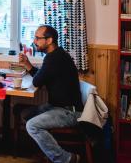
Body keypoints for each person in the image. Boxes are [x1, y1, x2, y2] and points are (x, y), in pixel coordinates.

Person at [18, 25, 83, 163]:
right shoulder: (56, 55)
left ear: (49, 40)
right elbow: (41, 77)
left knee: (32, 125)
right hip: (57, 106)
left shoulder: (54, 58)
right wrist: (28, 64)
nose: (34, 41)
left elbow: (37, 82)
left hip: (69, 112)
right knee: (25, 113)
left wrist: (32, 70)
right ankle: (45, 150)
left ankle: (66, 159)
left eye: (37, 38)